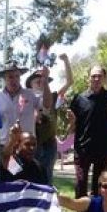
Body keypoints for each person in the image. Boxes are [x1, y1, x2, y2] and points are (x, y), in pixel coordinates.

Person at [70, 65, 107, 200]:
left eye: (99, 76)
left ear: (104, 78)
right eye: (93, 76)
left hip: (104, 150)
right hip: (82, 150)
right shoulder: (78, 99)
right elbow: (72, 126)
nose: (96, 79)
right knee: (80, 185)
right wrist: (71, 122)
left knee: (101, 187)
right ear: (89, 78)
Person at [0, 60, 51, 179]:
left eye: (17, 76)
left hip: (27, 148)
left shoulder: (30, 94)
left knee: (29, 179)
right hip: (6, 148)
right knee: (7, 179)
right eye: (10, 77)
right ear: (4, 78)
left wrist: (45, 82)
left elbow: (47, 104)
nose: (14, 79)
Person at [26, 53, 72, 183]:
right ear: (30, 84)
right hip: (31, 144)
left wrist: (66, 61)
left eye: (44, 80)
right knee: (31, 176)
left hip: (49, 144)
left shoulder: (53, 96)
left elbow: (69, 82)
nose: (41, 82)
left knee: (47, 176)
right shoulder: (25, 98)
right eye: (37, 80)